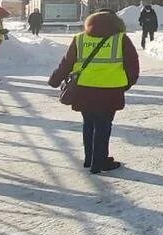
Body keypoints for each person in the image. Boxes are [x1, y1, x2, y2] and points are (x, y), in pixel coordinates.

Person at [48, 10, 139, 175]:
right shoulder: (121, 40)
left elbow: (67, 63)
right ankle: (100, 161)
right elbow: (133, 66)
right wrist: (125, 84)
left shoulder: (80, 39)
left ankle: (89, 158)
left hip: (84, 89)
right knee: (104, 125)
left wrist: (55, 80)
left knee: (88, 123)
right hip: (110, 91)